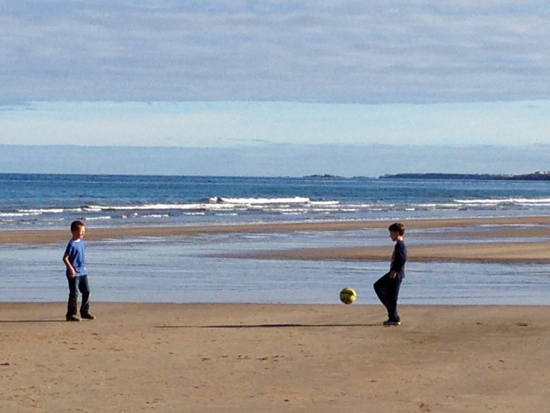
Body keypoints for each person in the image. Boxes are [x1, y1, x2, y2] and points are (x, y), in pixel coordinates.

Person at [373, 222, 407, 326]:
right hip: (394, 272)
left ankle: (394, 318)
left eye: (391, 233)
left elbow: (402, 259)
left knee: (381, 288)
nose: (390, 236)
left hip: (396, 274)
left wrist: (395, 271)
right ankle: (393, 315)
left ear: (397, 233)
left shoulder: (400, 245)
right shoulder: (399, 245)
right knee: (379, 287)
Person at [62, 220, 95, 322]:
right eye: (80, 231)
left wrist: (83, 267)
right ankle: (71, 314)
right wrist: (71, 269)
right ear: (73, 231)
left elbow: (80, 257)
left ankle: (84, 311)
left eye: (83, 231)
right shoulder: (71, 244)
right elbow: (65, 258)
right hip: (73, 273)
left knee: (87, 291)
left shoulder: (81, 243)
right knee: (74, 293)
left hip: (82, 272)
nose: (82, 233)